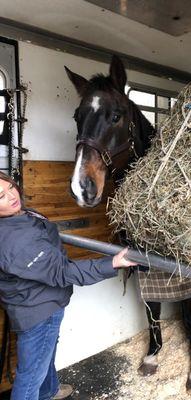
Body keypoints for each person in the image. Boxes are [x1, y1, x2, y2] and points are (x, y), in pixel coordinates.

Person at [0, 171, 137, 400]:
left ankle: (50, 392)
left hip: (42, 301)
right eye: (0, 196)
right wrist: (113, 262)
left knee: (46, 353)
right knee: (30, 375)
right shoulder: (15, 241)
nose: (11, 196)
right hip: (38, 310)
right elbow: (62, 272)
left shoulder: (19, 215)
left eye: (10, 188)